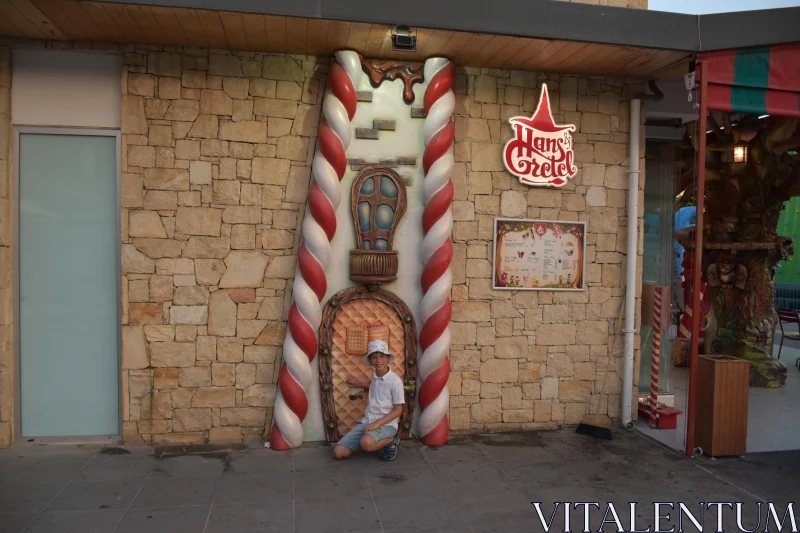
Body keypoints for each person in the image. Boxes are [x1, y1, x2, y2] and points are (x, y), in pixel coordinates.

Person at [333, 339, 404, 461]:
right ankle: (370, 437)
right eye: (374, 357)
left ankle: (391, 441)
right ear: (370, 360)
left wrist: (376, 424)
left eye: (382, 356)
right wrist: (359, 384)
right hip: (368, 421)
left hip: (386, 425)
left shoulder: (395, 382)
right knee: (339, 452)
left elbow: (398, 411)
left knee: (366, 444)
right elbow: (376, 387)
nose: (378, 360)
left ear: (387, 359)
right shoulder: (374, 376)